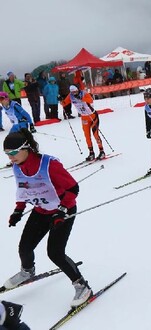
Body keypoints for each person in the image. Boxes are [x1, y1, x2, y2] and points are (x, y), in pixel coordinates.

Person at [2, 129, 92, 308]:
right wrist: (18, 210)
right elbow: (23, 189)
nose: (10, 158)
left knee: (55, 252)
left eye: (13, 153)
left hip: (62, 210)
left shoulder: (49, 164)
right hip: (41, 210)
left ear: (26, 148)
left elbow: (73, 189)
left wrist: (62, 210)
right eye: (6, 154)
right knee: (25, 248)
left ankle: (82, 286)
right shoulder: (17, 166)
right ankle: (27, 271)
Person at [61, 85, 104, 161]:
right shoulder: (70, 96)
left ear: (78, 90)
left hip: (92, 116)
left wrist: (82, 98)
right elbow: (64, 103)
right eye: (72, 92)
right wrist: (61, 101)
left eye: (75, 91)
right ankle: (91, 153)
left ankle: (102, 151)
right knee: (87, 136)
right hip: (84, 117)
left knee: (95, 134)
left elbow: (91, 100)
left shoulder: (84, 93)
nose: (74, 93)